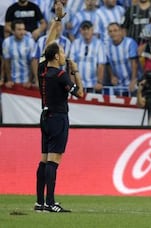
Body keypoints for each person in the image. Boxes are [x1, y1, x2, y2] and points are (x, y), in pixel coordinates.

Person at [35, 2, 84, 212]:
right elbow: (80, 93)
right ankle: (51, 202)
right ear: (56, 57)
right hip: (59, 119)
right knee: (54, 162)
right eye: (62, 52)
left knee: (44, 161)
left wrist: (57, 20)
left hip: (45, 117)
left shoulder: (42, 70)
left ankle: (40, 202)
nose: (64, 54)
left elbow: (49, 41)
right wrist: (76, 72)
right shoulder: (62, 75)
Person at [69, 20, 106, 93]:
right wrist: (72, 83)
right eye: (84, 29)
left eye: (88, 29)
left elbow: (101, 65)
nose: (86, 31)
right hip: (78, 84)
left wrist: (99, 82)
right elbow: (71, 65)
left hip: (93, 85)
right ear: (80, 31)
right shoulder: (76, 43)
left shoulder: (99, 44)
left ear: (92, 30)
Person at [2, 20, 36, 89]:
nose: (22, 32)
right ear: (13, 31)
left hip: (27, 83)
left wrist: (30, 81)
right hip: (13, 83)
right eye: (19, 30)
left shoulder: (30, 42)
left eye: (23, 29)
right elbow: (6, 62)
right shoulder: (7, 42)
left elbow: (33, 63)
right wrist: (9, 80)